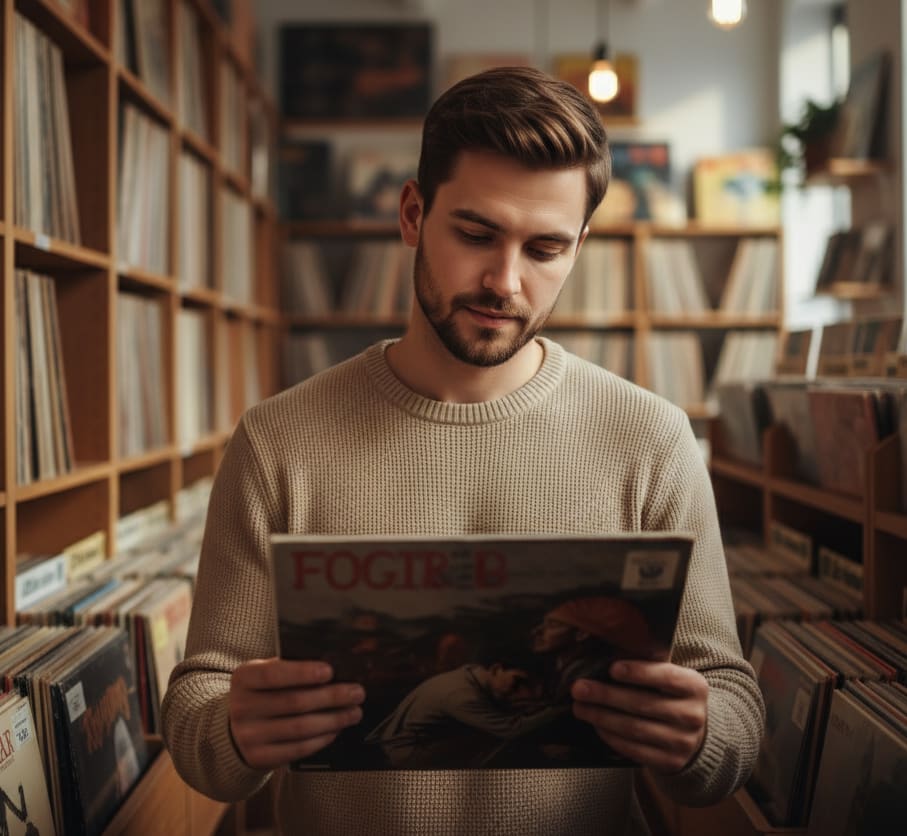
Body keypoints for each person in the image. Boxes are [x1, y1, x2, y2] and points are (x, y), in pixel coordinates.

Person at [162, 66, 765, 835]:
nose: (504, 281)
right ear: (413, 213)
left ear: (580, 246)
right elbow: (196, 705)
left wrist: (701, 737)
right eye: (476, 234)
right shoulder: (278, 441)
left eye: (545, 248)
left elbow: (734, 705)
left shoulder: (649, 438)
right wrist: (230, 733)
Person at [364, 662, 558, 768]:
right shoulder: (462, 695)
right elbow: (511, 730)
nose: (522, 692)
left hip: (410, 745)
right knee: (501, 740)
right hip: (408, 754)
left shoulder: (469, 675)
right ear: (497, 669)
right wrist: (557, 709)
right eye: (517, 682)